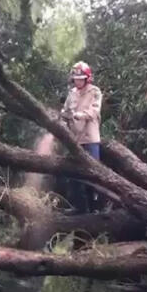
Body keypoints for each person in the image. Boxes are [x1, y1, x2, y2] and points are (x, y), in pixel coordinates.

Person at [60, 61, 102, 213]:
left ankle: (94, 208)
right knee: (73, 176)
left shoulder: (95, 92)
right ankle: (78, 208)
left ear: (87, 78)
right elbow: (65, 111)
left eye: (80, 78)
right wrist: (61, 120)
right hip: (74, 141)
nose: (77, 81)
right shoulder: (72, 93)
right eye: (76, 79)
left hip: (90, 139)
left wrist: (79, 115)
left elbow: (94, 111)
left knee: (93, 175)